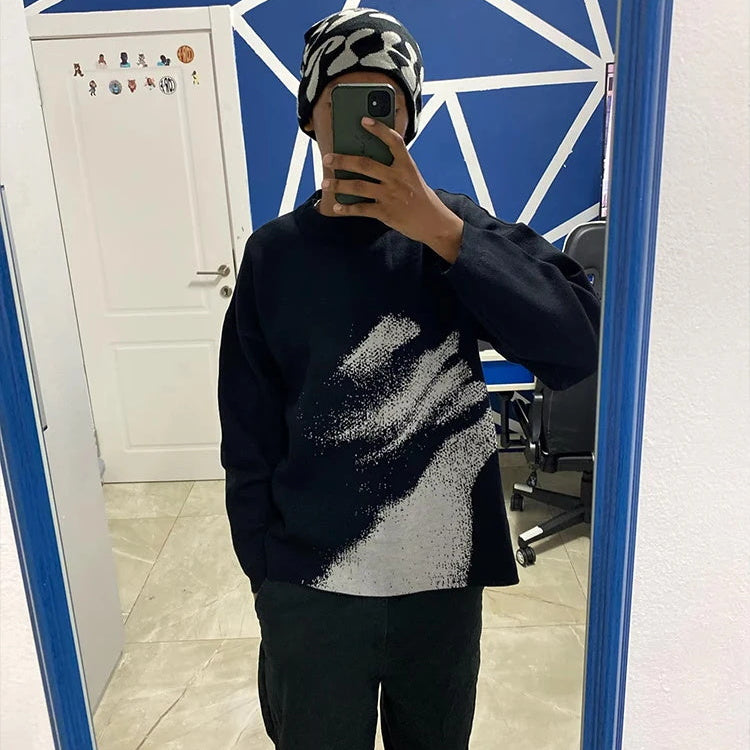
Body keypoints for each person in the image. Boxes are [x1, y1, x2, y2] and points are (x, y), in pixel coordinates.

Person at [218, 8, 600, 749]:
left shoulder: (454, 230)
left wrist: (446, 234)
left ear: (409, 121)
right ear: (310, 116)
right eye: (345, 101)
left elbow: (578, 344)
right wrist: (265, 570)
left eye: (384, 104)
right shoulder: (274, 257)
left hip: (440, 583)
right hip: (312, 586)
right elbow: (248, 427)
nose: (366, 123)